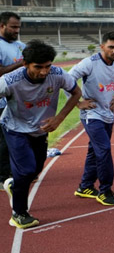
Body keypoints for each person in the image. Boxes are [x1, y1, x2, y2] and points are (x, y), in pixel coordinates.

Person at [0, 40, 82, 228]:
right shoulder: (9, 81)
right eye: (38, 67)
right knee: (26, 169)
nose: (44, 72)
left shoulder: (58, 74)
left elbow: (77, 93)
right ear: (25, 64)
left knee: (35, 170)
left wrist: (59, 118)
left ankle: (14, 186)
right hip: (14, 128)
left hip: (40, 129)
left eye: (48, 66)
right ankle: (19, 214)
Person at [68, 32, 114, 206]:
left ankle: (85, 186)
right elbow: (68, 79)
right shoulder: (90, 63)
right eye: (111, 47)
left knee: (94, 150)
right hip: (92, 114)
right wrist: (78, 103)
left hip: (108, 114)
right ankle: (105, 190)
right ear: (102, 46)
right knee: (104, 149)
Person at [0, 12, 25, 203]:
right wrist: (21, 64)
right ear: (2, 26)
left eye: (18, 27)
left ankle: (19, 171)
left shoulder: (21, 46)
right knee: (3, 141)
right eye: (13, 27)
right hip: (1, 101)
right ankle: (3, 178)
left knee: (21, 137)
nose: (17, 31)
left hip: (19, 101)